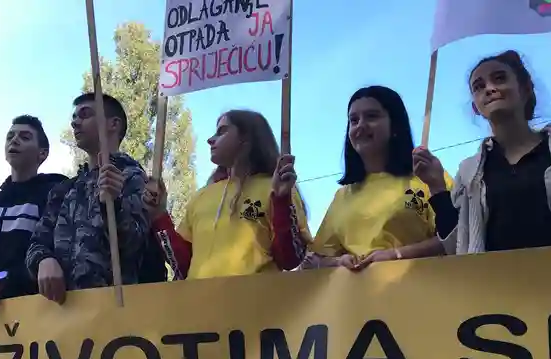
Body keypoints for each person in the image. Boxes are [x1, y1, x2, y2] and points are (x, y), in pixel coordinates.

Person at [143, 109, 311, 280]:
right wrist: (159, 215)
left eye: (222, 131)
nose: (210, 139)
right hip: (199, 297)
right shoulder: (201, 197)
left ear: (247, 138)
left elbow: (290, 259)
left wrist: (282, 200)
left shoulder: (276, 188)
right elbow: (183, 266)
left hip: (254, 297)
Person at [303, 86, 452, 271]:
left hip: (421, 285)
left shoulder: (429, 177)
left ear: (395, 125)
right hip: (357, 289)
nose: (360, 125)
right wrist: (338, 262)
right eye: (354, 120)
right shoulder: (342, 196)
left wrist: (396, 255)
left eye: (372, 116)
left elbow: (456, 237)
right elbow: (316, 259)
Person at [26, 93, 150, 304]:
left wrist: (113, 205)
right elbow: (37, 243)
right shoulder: (64, 189)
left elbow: (135, 246)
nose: (75, 122)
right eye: (74, 117)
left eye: (85, 114)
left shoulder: (133, 177)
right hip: (62, 310)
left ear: (113, 124)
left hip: (114, 308)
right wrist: (43, 259)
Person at [431, 50, 551, 255]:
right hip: (494, 276)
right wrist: (436, 186)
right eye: (478, 87)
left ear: (526, 89)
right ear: (475, 108)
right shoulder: (468, 172)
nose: (489, 88)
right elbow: (456, 247)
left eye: (500, 78)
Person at [0, 115, 68, 308]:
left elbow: (57, 252)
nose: (14, 140)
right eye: (10, 136)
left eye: (25, 137)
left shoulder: (55, 194)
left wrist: (4, 279)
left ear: (42, 154)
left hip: (40, 308)